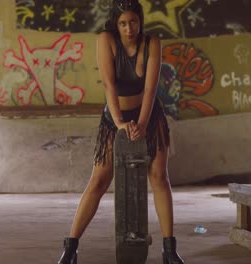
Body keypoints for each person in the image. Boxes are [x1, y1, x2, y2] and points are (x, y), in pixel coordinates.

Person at [58, 0, 184, 263]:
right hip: (114, 118)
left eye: (134, 22)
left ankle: (169, 250)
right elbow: (108, 84)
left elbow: (150, 90)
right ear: (116, 24)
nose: (129, 29)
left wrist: (141, 123)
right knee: (99, 180)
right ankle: (70, 248)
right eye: (123, 23)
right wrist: (119, 124)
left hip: (149, 117)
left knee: (159, 177)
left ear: (140, 21)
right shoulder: (106, 40)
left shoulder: (152, 43)